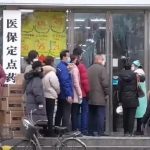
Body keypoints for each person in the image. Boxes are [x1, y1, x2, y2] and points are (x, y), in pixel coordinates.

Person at [88, 54, 109, 136]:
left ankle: (90, 131)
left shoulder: (89, 69)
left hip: (90, 96)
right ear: (99, 60)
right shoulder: (102, 69)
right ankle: (100, 132)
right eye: (103, 59)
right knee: (100, 114)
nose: (104, 61)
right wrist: (107, 93)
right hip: (100, 96)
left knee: (91, 115)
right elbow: (105, 83)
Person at [73, 47, 90, 135]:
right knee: (84, 112)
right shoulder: (81, 66)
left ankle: (76, 128)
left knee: (75, 113)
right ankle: (83, 129)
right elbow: (85, 82)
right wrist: (88, 93)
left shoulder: (72, 66)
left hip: (74, 94)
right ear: (79, 56)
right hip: (82, 93)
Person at [118, 63, 139, 136]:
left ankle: (125, 132)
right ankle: (130, 132)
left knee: (125, 116)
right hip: (133, 98)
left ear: (124, 68)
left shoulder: (120, 75)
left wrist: (119, 100)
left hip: (124, 98)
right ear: (130, 68)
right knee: (131, 116)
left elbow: (119, 89)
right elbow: (138, 86)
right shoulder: (135, 75)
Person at [55, 50, 73, 130]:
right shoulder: (63, 68)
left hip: (61, 94)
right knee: (66, 113)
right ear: (63, 57)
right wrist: (69, 95)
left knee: (59, 112)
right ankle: (65, 130)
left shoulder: (59, 66)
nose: (69, 58)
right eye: (68, 56)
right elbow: (65, 81)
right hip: (65, 94)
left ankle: (57, 128)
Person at [42, 56, 60, 136]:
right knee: (50, 114)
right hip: (51, 96)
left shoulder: (42, 72)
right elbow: (56, 85)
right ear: (52, 62)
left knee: (45, 114)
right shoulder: (51, 73)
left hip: (44, 95)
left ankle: (45, 130)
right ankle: (50, 132)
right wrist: (58, 91)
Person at [131, 60, 147, 135]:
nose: (131, 67)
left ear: (136, 66)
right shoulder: (142, 73)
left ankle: (139, 130)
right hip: (142, 97)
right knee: (140, 115)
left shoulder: (138, 74)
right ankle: (139, 129)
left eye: (132, 66)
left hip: (139, 97)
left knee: (139, 115)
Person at [69, 55, 82, 131]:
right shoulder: (75, 69)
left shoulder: (69, 68)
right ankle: (75, 129)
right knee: (75, 113)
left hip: (70, 93)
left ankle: (72, 128)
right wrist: (80, 94)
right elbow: (76, 83)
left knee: (72, 112)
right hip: (75, 94)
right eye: (76, 59)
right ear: (74, 60)